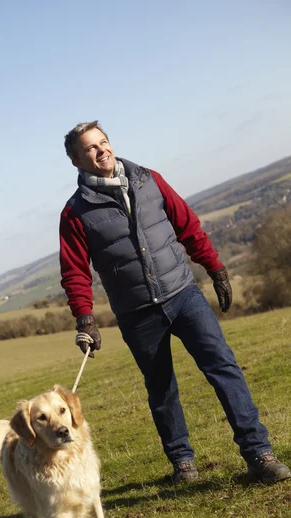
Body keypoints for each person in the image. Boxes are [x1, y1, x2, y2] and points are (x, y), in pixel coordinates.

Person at [59, 120, 290, 484]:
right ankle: (183, 465)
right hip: (137, 314)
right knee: (161, 389)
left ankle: (260, 454)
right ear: (76, 160)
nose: (101, 150)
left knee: (224, 368)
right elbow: (75, 271)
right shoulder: (75, 213)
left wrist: (215, 269)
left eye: (103, 142)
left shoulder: (149, 180)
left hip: (183, 295)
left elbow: (187, 226)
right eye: (90, 147)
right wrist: (85, 318)